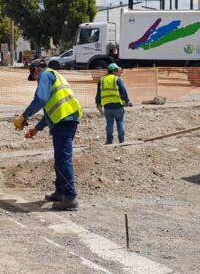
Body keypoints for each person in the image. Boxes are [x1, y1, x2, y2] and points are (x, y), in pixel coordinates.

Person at [14, 59, 82, 211]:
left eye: (34, 76)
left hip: (64, 121)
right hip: (65, 119)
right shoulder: (54, 76)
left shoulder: (46, 75)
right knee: (60, 158)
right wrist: (37, 128)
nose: (36, 80)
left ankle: (70, 198)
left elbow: (41, 99)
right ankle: (60, 192)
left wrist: (24, 115)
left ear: (37, 69)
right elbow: (49, 110)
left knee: (63, 159)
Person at [96, 63, 132, 145]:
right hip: (118, 106)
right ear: (113, 71)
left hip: (107, 107)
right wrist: (126, 101)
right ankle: (122, 140)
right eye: (117, 70)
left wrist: (98, 104)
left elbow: (98, 94)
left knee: (109, 124)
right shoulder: (117, 79)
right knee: (120, 122)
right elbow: (124, 91)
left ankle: (109, 141)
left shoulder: (101, 80)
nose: (118, 72)